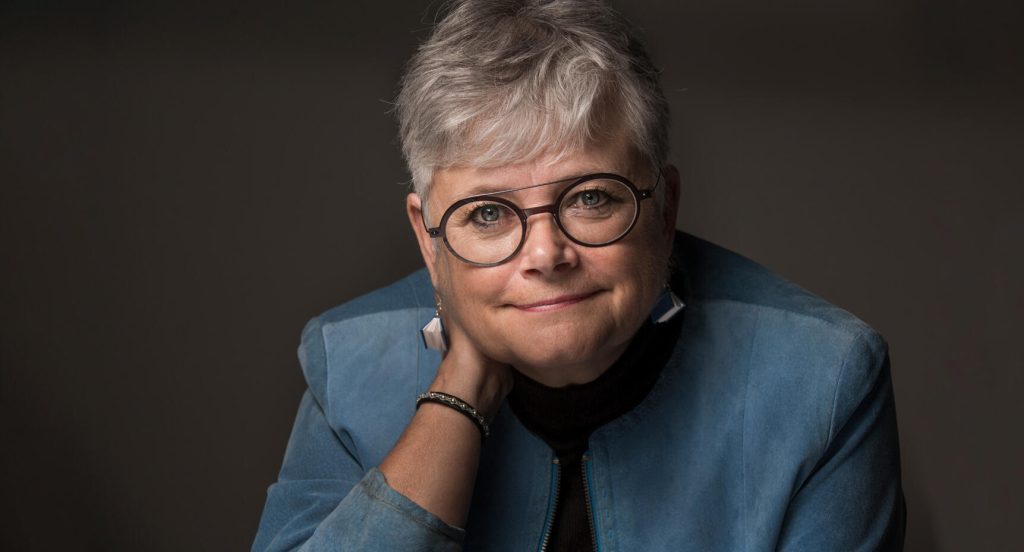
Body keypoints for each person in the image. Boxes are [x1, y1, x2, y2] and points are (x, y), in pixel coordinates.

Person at [252, 0, 906, 550]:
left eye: (591, 197)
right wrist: (459, 392)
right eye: (488, 213)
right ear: (430, 240)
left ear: (664, 209)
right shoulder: (347, 364)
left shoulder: (821, 379)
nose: (546, 254)